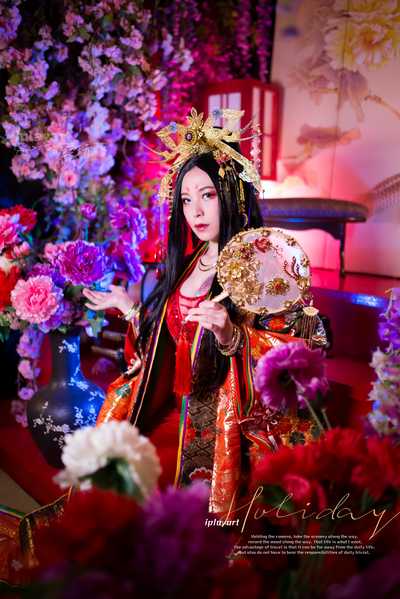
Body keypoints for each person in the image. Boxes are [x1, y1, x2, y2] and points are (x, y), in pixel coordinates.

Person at [83, 109, 325, 515]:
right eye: (186, 200)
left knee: (163, 501)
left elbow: (299, 349)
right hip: (169, 409)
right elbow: (169, 346)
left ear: (231, 195)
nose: (195, 211)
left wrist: (233, 336)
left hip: (222, 426)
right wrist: (131, 310)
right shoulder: (189, 263)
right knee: (112, 469)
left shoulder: (264, 267)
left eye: (207, 195)